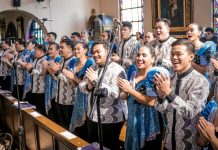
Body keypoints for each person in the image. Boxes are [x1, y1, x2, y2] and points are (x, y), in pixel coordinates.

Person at [153, 39, 209, 149]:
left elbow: (190, 112)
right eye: (172, 54)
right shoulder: (170, 78)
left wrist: (168, 92)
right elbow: (161, 109)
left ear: (191, 57)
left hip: (188, 143)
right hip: (169, 142)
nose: (174, 57)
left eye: (179, 54)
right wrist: (160, 96)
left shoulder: (200, 81)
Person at [117, 45, 169, 150]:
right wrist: (124, 92)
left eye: (144, 55)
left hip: (149, 123)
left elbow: (151, 102)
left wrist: (130, 90)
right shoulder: (133, 73)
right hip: (133, 119)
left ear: (153, 58)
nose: (139, 58)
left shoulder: (154, 75)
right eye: (138, 55)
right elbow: (126, 96)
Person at [79, 40, 127, 150]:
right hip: (92, 115)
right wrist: (89, 86)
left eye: (98, 52)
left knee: (108, 146)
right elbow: (82, 87)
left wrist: (96, 82)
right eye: (93, 52)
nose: (95, 55)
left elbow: (116, 94)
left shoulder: (117, 69)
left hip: (110, 118)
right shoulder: (92, 67)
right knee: (93, 145)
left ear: (107, 51)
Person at [62, 42, 93, 140]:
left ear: (85, 50)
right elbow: (74, 84)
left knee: (85, 129)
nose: (76, 51)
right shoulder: (73, 63)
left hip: (87, 98)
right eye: (75, 49)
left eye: (78, 49)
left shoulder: (90, 64)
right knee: (77, 131)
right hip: (76, 97)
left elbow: (87, 86)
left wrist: (73, 77)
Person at [49, 39, 76, 130]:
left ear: (69, 49)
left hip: (69, 100)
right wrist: (55, 73)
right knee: (60, 126)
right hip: (59, 98)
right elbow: (57, 79)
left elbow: (70, 81)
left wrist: (58, 72)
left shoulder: (74, 61)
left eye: (62, 47)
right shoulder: (61, 60)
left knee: (68, 127)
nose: (60, 49)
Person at [24, 44, 47, 115]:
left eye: (36, 50)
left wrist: (31, 69)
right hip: (33, 89)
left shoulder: (45, 60)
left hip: (41, 91)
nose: (34, 52)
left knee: (40, 112)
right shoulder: (36, 59)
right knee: (33, 110)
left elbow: (42, 73)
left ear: (41, 52)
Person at [42, 42, 62, 122]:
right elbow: (43, 73)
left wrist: (47, 66)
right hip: (47, 86)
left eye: (51, 49)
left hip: (55, 88)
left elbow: (55, 76)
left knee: (55, 113)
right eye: (49, 49)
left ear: (57, 51)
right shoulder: (49, 59)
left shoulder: (59, 59)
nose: (49, 51)